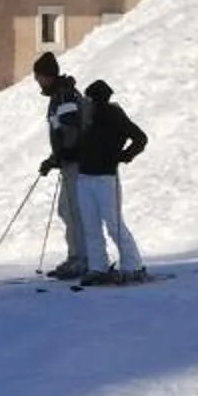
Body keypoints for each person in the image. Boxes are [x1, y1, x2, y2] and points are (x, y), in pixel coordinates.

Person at [69, 78, 149, 287]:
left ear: (99, 99)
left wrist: (124, 156)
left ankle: (133, 265)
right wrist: (59, 157)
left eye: (90, 99)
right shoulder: (87, 118)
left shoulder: (114, 115)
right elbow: (79, 146)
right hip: (84, 177)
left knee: (114, 223)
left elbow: (140, 138)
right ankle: (98, 267)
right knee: (91, 225)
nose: (87, 102)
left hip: (106, 178)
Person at [31, 52, 91, 281]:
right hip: (68, 161)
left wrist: (62, 155)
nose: (38, 82)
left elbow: (70, 129)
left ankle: (81, 260)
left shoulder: (64, 97)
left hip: (75, 162)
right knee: (67, 209)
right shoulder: (60, 95)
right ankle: (75, 256)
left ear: (46, 76)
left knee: (74, 211)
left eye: (38, 77)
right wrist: (54, 158)